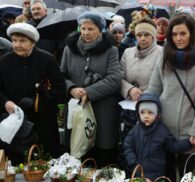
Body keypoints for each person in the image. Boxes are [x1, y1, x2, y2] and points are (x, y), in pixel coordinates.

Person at [146, 14, 195, 182]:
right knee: (164, 179)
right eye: (174, 34)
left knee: (186, 178)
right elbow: (154, 88)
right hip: (162, 126)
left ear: (192, 34)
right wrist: (148, 116)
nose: (178, 38)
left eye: (183, 33)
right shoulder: (164, 56)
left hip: (188, 128)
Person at [60, 11, 121, 167]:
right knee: (78, 149)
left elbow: (114, 79)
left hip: (103, 111)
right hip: (77, 110)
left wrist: (89, 92)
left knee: (102, 156)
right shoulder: (69, 49)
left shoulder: (111, 50)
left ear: (101, 30)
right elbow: (61, 75)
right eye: (83, 28)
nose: (86, 32)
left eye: (91, 29)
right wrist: (71, 89)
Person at [0, 23, 66, 163]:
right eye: (14, 41)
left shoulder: (47, 59)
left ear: (33, 42)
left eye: (22, 41)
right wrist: (5, 102)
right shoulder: (4, 61)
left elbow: (59, 89)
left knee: (45, 162)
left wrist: (38, 101)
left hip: (43, 121)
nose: (17, 45)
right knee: (17, 164)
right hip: (15, 121)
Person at [123, 93, 192, 181]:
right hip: (138, 173)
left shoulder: (162, 131)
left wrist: (189, 142)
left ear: (157, 114)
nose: (146, 116)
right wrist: (132, 161)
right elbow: (128, 145)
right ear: (138, 113)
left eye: (150, 112)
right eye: (142, 112)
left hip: (157, 175)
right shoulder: (136, 130)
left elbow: (173, 146)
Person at [121, 18, 163, 101]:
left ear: (153, 36)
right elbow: (119, 78)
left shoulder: (162, 53)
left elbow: (163, 82)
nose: (142, 38)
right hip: (128, 102)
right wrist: (129, 89)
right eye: (139, 35)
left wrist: (145, 96)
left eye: (146, 35)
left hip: (151, 103)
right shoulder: (127, 53)